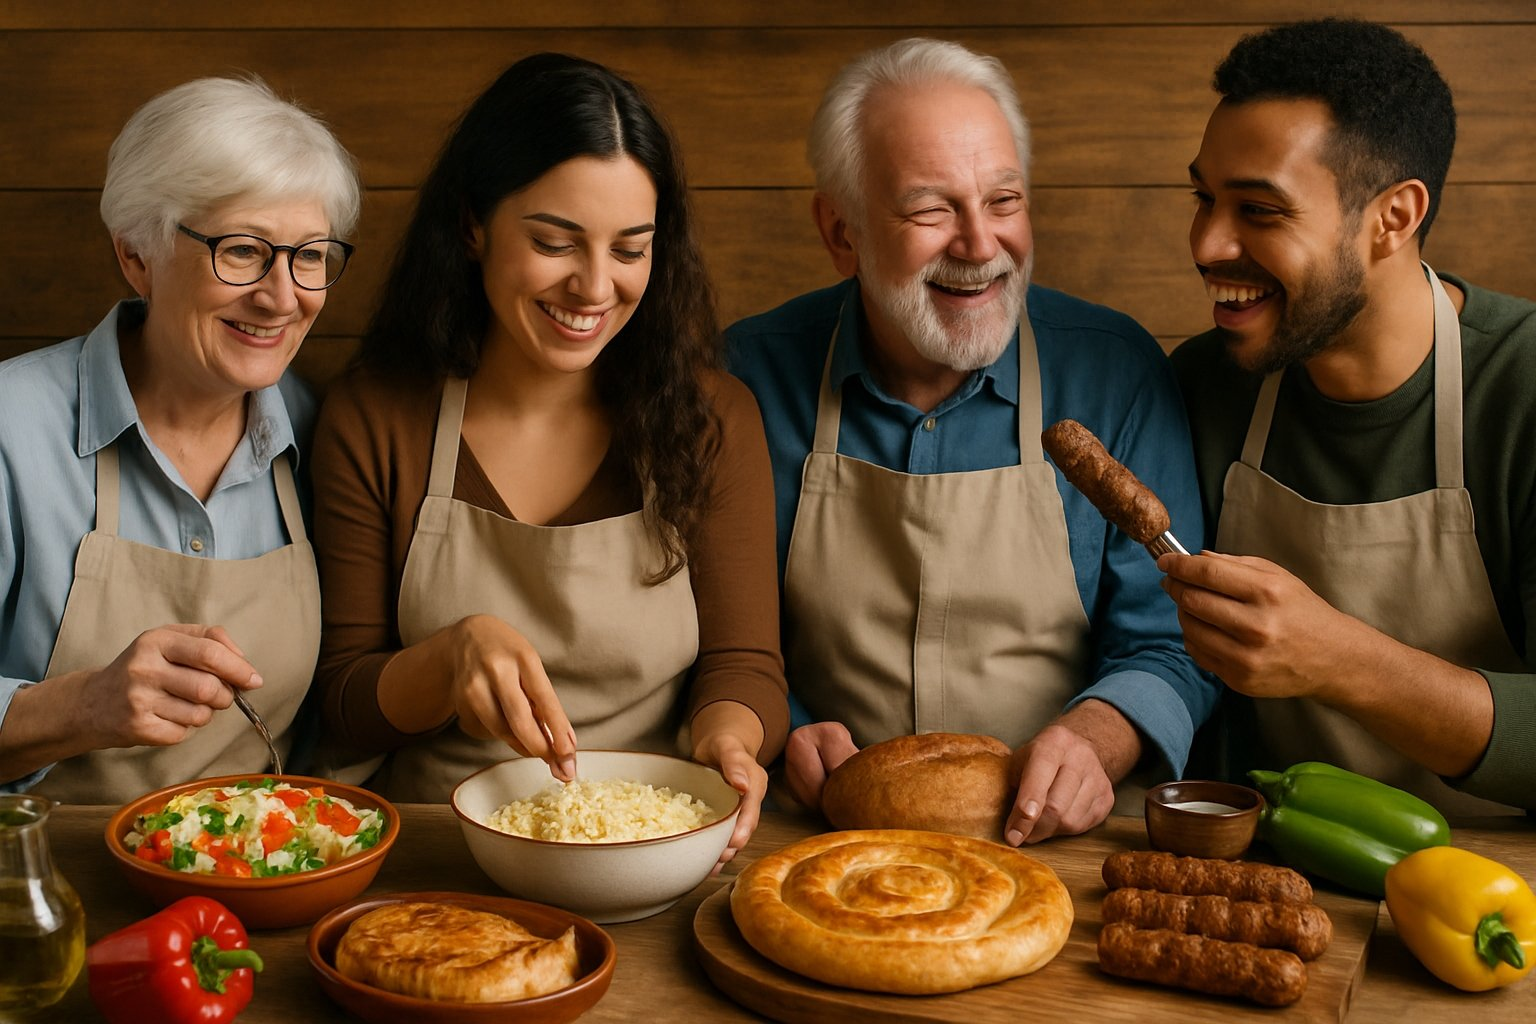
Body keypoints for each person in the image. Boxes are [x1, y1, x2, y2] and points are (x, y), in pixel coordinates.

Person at [725, 38, 1217, 845]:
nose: (980, 246)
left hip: (1066, 846)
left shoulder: (1113, 368)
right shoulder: (746, 376)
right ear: (841, 230)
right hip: (817, 839)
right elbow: (724, 642)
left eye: (1003, 201)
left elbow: (1173, 641)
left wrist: (1097, 736)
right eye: (931, 210)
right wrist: (783, 730)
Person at [311, 53, 788, 866]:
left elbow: (744, 665)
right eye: (555, 243)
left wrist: (728, 743)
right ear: (472, 224)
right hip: (432, 847)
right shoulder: (375, 416)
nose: (594, 287)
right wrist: (448, 657)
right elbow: (341, 703)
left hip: (656, 844)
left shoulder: (712, 419)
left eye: (630, 249)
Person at [1161, 19, 1535, 815]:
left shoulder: (1523, 390)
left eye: (1258, 210)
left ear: (1393, 218)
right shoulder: (1202, 384)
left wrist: (1339, 660)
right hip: (1266, 877)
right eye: (1204, 198)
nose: (1206, 242)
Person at [0, 76, 359, 801]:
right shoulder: (11, 428)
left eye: (310, 255)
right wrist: (82, 705)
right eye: (242, 250)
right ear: (137, 255)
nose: (282, 296)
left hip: (263, 880)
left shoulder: (324, 432)